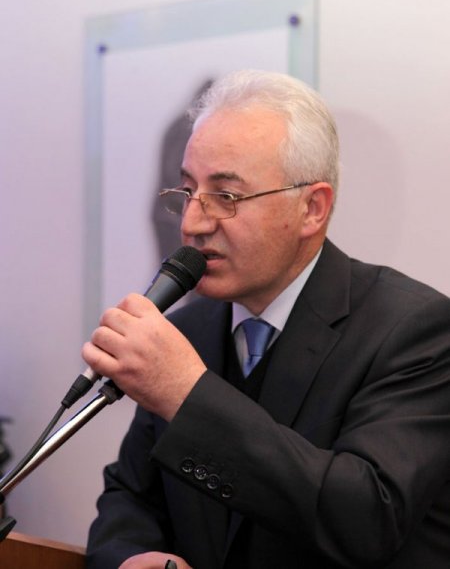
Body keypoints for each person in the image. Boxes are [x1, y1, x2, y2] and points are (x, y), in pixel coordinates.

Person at [83, 70, 450, 569]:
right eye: (188, 191)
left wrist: (186, 393)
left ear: (312, 208)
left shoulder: (414, 329)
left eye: (226, 197)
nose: (192, 222)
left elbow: (368, 516)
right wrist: (131, 556)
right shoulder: (188, 329)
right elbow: (130, 496)